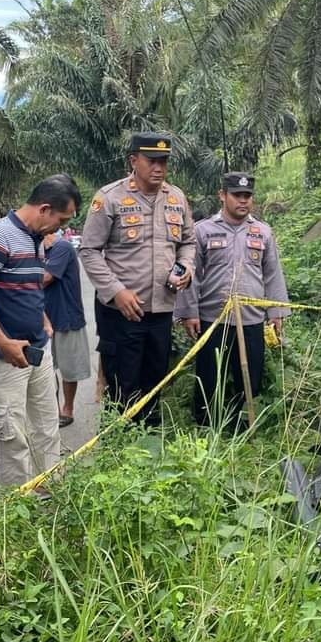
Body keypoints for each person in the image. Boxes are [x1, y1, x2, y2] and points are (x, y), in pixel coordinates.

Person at [0, 176, 80, 487]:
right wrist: (3, 343)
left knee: (46, 427)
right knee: (12, 437)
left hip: (36, 351)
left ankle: (49, 495)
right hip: (3, 358)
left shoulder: (34, 239)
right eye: (61, 219)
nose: (61, 227)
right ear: (44, 209)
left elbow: (26, 286)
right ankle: (14, 510)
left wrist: (42, 320)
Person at [79, 133, 196, 424]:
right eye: (152, 160)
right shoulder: (110, 198)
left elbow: (188, 241)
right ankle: (119, 446)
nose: (159, 167)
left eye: (164, 161)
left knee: (155, 381)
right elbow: (90, 250)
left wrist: (184, 267)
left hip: (162, 310)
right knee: (122, 386)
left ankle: (148, 444)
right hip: (123, 313)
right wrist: (116, 291)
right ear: (134, 161)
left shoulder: (176, 197)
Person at [175, 172, 289, 427]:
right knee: (209, 375)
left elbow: (272, 275)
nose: (243, 201)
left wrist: (276, 313)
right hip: (212, 319)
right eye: (237, 195)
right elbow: (190, 275)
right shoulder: (203, 231)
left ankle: (244, 426)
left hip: (251, 319)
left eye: (247, 196)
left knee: (250, 376)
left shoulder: (262, 232)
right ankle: (205, 425)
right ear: (222, 195)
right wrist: (189, 312)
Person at [42, 228, 91, 428]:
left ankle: (67, 409)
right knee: (45, 369)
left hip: (66, 317)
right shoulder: (35, 250)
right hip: (42, 318)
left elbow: (45, 278)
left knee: (69, 369)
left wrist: (17, 278)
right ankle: (51, 410)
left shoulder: (61, 247)